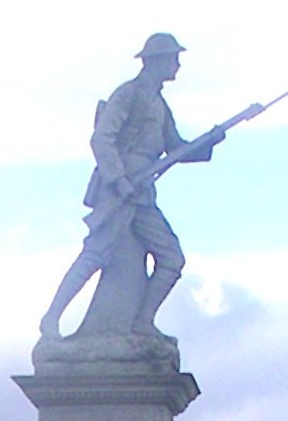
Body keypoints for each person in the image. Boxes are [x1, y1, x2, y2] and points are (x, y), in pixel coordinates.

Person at [38, 32, 224, 341]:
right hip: (119, 189)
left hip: (142, 193)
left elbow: (175, 147)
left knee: (171, 258)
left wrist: (210, 141)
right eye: (173, 58)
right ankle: (51, 318)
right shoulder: (128, 94)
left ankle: (142, 322)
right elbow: (102, 138)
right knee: (95, 254)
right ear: (158, 61)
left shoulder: (159, 104)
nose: (177, 64)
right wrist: (119, 180)